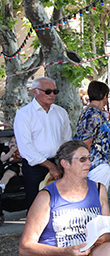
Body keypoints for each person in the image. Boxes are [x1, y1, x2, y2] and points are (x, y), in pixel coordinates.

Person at [14, 77, 72, 206]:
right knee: (36, 205)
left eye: (54, 91)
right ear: (35, 92)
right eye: (48, 91)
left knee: (61, 203)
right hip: (35, 167)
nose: (52, 95)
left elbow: (67, 140)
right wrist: (50, 166)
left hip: (59, 163)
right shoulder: (24, 114)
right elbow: (26, 147)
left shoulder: (61, 112)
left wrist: (62, 164)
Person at [74, 81, 110, 187]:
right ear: (105, 96)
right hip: (97, 165)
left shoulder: (89, 112)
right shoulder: (93, 114)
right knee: (96, 198)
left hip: (95, 164)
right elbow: (86, 142)